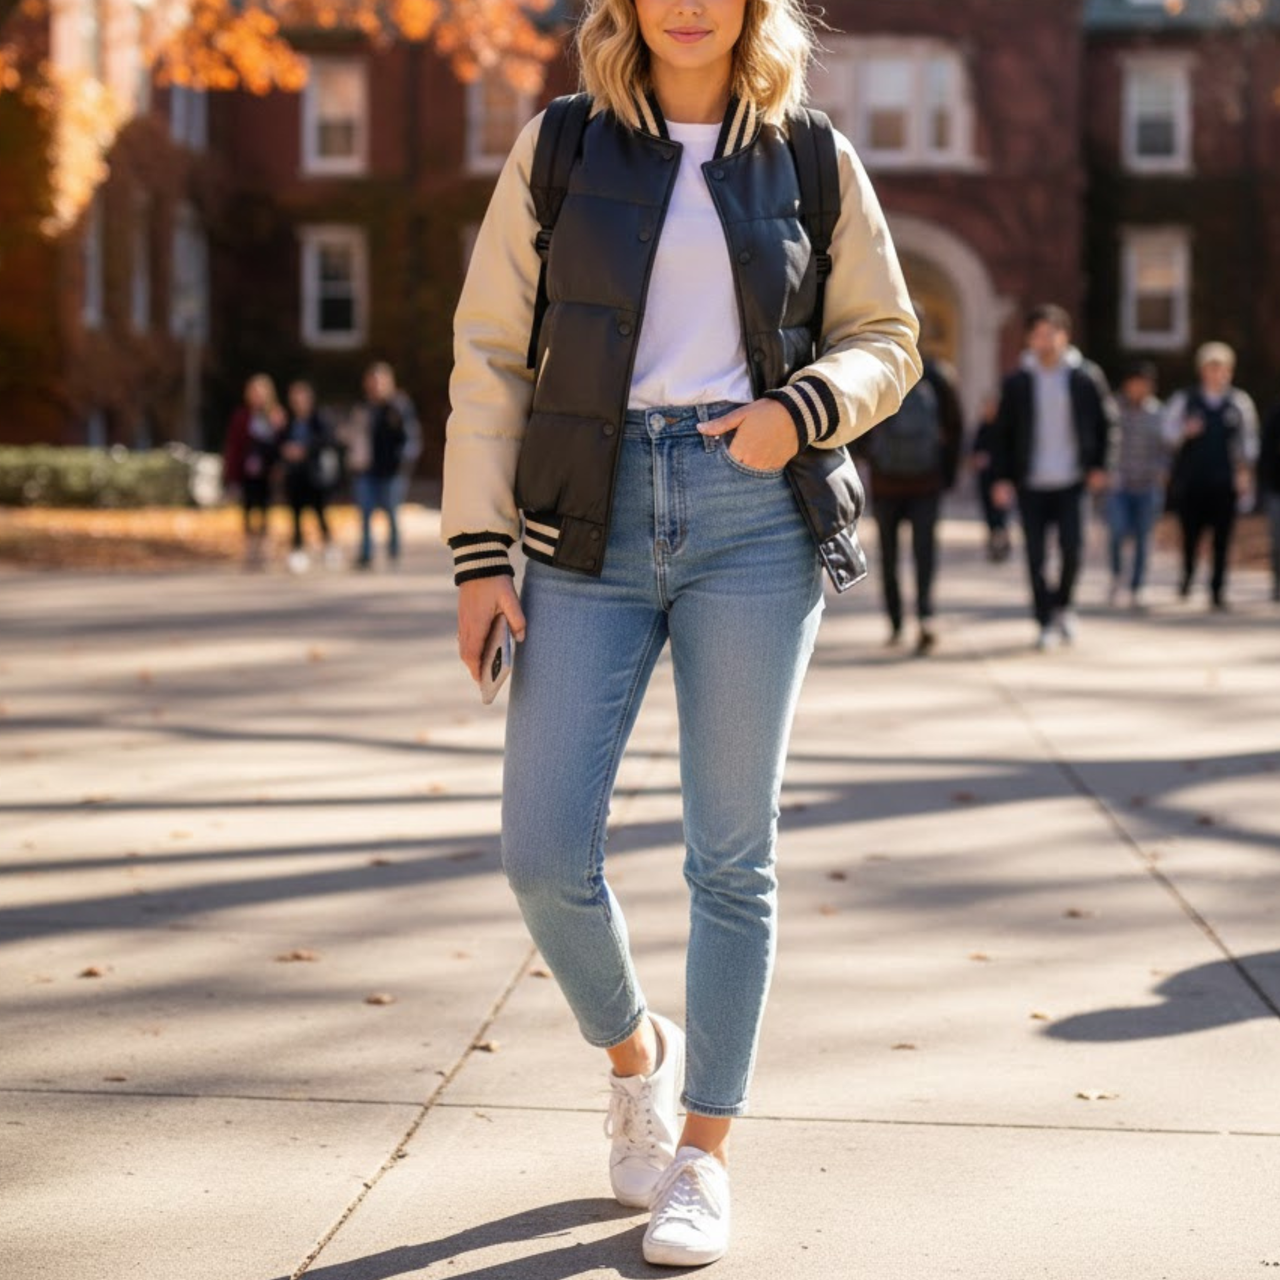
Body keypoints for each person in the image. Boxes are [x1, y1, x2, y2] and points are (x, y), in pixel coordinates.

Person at [440, 0, 921, 1262]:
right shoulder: (559, 145)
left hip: (752, 515)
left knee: (729, 853)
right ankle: (633, 1052)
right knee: (542, 847)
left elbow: (888, 337)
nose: (691, 5)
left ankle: (701, 1155)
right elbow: (490, 351)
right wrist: (477, 553)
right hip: (579, 522)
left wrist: (804, 408)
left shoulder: (809, 152)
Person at [990, 305, 1115, 650]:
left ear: (1065, 335)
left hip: (1072, 480)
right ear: (1029, 339)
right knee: (1035, 557)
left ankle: (1064, 606)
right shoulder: (1017, 382)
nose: (1044, 341)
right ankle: (1044, 620)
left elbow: (1108, 424)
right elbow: (1002, 433)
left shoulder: (1085, 377)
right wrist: (1001, 479)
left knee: (1073, 550)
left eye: (1051, 333)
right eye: (1038, 334)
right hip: (1030, 481)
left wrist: (1100, 466)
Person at [861, 329, 962, 654]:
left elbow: (854, 423)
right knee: (924, 553)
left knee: (889, 555)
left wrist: (871, 458)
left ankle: (896, 624)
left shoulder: (876, 373)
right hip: (925, 482)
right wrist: (946, 474)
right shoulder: (935, 374)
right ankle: (925, 617)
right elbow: (955, 425)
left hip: (886, 481)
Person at [1163, 342, 1260, 611]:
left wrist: (1244, 475)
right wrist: (1185, 431)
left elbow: (1248, 444)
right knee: (1190, 535)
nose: (1216, 374)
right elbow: (1167, 435)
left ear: (1229, 371)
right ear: (1202, 371)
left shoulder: (1238, 403)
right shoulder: (1186, 399)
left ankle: (1217, 589)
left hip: (1223, 481)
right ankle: (1187, 577)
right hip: (1192, 480)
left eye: (1221, 369)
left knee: (1222, 539)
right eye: (1211, 368)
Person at [1105, 361, 1167, 610]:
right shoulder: (1112, 409)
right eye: (1135, 383)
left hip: (1148, 484)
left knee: (1143, 537)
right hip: (1118, 485)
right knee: (1117, 531)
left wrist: (1164, 471)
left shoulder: (1158, 413)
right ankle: (1117, 576)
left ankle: (1137, 585)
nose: (1139, 388)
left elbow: (1167, 449)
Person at [346, 362, 409, 569]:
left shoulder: (398, 407)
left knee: (391, 512)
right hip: (366, 469)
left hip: (391, 470)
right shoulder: (362, 407)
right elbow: (353, 434)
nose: (376, 386)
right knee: (365, 512)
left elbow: (410, 437)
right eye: (373, 381)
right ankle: (366, 553)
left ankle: (393, 552)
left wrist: (403, 461)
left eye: (380, 381)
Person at [222, 373, 285, 568]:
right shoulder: (242, 416)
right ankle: (250, 550)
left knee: (265, 509)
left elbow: (281, 443)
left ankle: (264, 551)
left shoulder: (275, 415)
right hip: (247, 471)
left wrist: (279, 465)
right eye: (254, 391)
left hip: (267, 472)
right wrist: (231, 475)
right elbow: (234, 446)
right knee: (248, 509)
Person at [280, 379, 341, 573]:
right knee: (296, 516)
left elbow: (328, 440)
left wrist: (304, 450)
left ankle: (329, 547)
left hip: (315, 476)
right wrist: (286, 451)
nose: (298, 400)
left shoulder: (319, 419)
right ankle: (298, 551)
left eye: (301, 396)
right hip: (294, 476)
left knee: (320, 513)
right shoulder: (287, 420)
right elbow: (278, 442)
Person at [971, 394, 1011, 563]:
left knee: (1000, 515)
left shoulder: (1003, 428)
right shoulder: (982, 428)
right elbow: (973, 452)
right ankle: (994, 545)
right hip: (985, 479)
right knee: (989, 514)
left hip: (1000, 478)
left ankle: (1002, 544)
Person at [1261, 396, 1280, 603]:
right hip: (1277, 488)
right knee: (1277, 541)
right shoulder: (1275, 414)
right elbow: (1265, 452)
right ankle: (1278, 584)